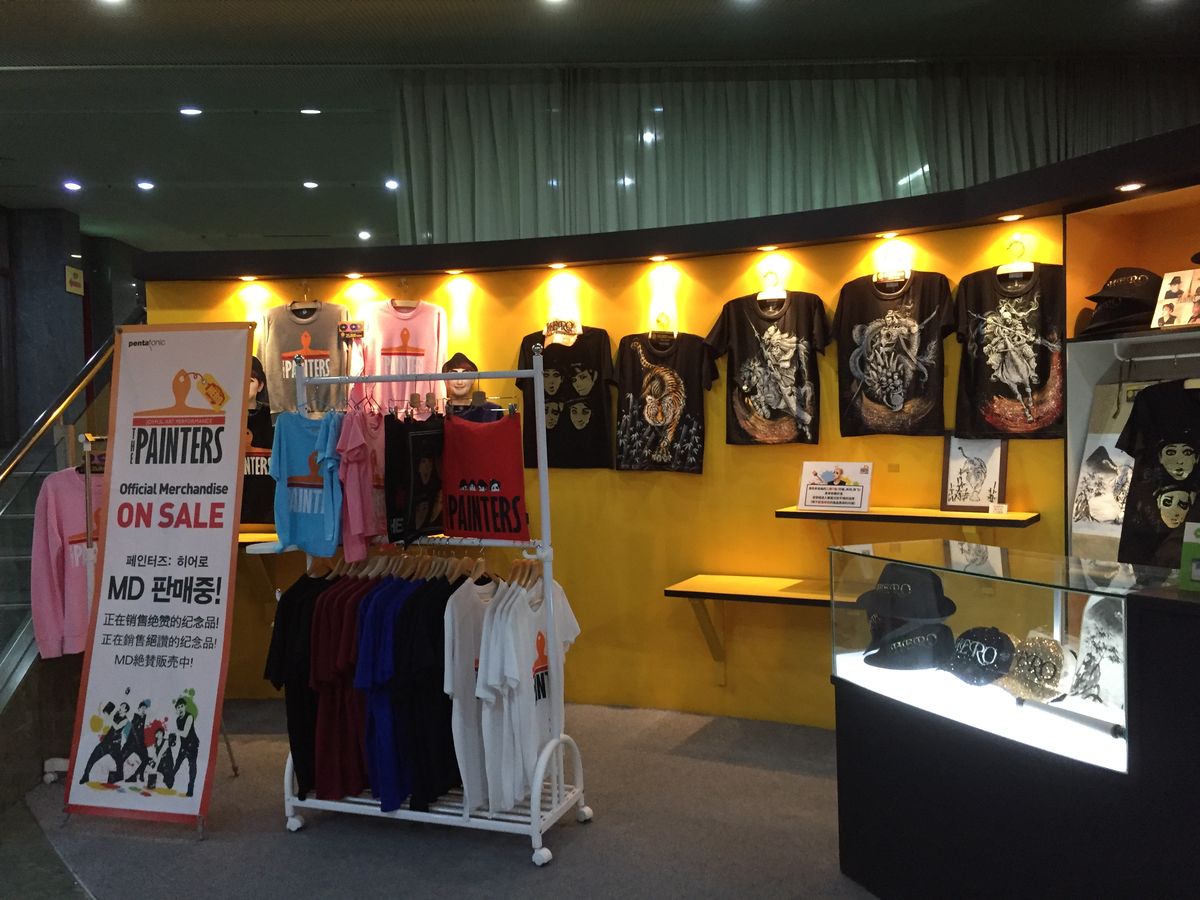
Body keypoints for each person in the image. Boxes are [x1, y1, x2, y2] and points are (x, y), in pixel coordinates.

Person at [79, 701, 129, 784]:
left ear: (126, 710)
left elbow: (117, 727)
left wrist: (109, 717)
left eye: (123, 707)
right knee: (93, 756)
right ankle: (85, 776)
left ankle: (119, 778)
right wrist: (103, 711)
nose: (120, 707)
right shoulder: (116, 714)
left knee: (119, 762)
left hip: (115, 745)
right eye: (120, 706)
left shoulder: (126, 720)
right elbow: (107, 720)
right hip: (107, 741)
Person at [171, 697, 201, 797]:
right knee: (177, 763)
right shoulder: (177, 720)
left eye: (182, 706)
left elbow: (184, 733)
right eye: (178, 707)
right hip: (184, 745)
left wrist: (175, 731)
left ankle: (190, 788)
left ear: (185, 706)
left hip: (192, 745)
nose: (180, 708)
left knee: (192, 766)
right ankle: (170, 779)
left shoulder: (189, 716)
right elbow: (180, 736)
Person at [121, 699, 152, 783]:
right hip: (132, 744)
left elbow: (141, 731)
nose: (144, 710)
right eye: (142, 708)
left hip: (140, 744)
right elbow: (134, 732)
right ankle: (119, 774)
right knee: (121, 759)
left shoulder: (143, 717)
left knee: (145, 759)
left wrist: (142, 743)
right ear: (138, 709)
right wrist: (139, 743)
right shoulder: (136, 717)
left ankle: (137, 775)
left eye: (145, 708)